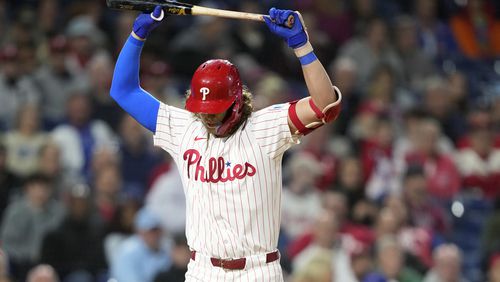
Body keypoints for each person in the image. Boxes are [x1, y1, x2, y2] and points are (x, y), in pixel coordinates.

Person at [110, 5, 342, 281]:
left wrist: (302, 46)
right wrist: (137, 36)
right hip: (203, 270)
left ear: (236, 101)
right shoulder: (185, 128)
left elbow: (325, 104)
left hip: (257, 270)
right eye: (202, 107)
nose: (207, 115)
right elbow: (123, 91)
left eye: (215, 108)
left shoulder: (264, 128)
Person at [110, 207, 171, 282]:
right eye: (151, 231)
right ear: (140, 232)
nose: (155, 235)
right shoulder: (128, 251)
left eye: (157, 230)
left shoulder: (166, 248)